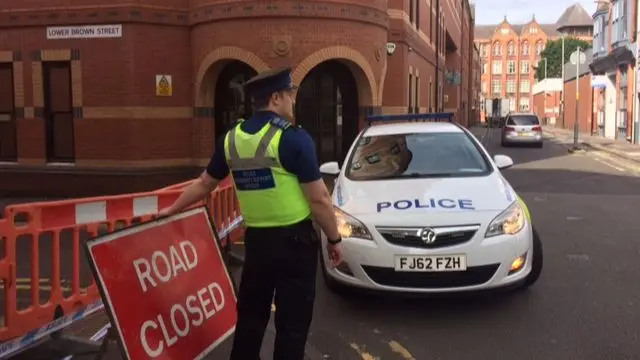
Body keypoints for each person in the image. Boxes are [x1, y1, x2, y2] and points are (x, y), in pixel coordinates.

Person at [158, 66, 343, 360]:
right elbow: (319, 199)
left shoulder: (231, 139)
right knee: (292, 324)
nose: (292, 102)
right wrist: (334, 240)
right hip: (294, 244)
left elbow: (205, 183)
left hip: (257, 244)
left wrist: (172, 208)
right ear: (276, 98)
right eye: (289, 96)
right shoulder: (294, 139)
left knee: (251, 318)